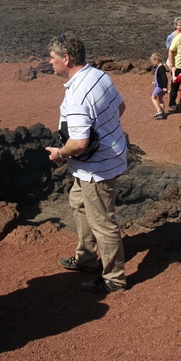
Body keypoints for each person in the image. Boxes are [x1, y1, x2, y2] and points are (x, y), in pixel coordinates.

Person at [46, 33, 128, 294]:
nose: (50, 62)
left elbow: (79, 143)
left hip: (96, 168)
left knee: (103, 221)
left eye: (52, 57)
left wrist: (60, 153)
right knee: (79, 203)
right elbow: (120, 108)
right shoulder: (100, 76)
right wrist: (103, 130)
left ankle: (114, 278)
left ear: (66, 59)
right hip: (94, 163)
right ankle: (86, 258)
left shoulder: (78, 95)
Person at [150, 52, 168, 119]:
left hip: (160, 87)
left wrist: (164, 86)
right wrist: (155, 82)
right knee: (160, 99)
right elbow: (159, 77)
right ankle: (163, 113)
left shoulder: (161, 68)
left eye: (153, 62)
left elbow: (164, 78)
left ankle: (159, 110)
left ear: (157, 61)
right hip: (160, 86)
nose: (152, 63)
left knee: (153, 97)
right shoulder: (160, 67)